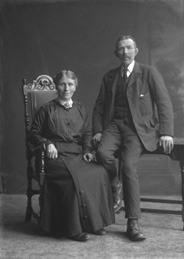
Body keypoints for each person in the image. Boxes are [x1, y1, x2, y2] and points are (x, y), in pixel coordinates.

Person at [92, 35, 174, 242]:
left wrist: (166, 132)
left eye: (129, 48)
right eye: (121, 49)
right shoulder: (109, 76)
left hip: (137, 129)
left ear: (136, 51)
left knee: (128, 166)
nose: (125, 52)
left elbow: (164, 102)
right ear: (116, 53)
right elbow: (100, 106)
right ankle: (114, 183)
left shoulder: (148, 72)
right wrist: (98, 130)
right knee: (101, 153)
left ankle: (133, 222)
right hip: (114, 126)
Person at [29, 70, 115, 242]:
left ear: (75, 86)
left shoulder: (81, 108)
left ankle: (93, 223)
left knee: (99, 172)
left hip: (76, 155)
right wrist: (47, 143)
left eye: (70, 84)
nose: (66, 88)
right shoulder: (46, 109)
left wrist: (88, 151)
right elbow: (33, 134)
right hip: (53, 158)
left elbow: (87, 133)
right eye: (62, 84)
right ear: (56, 86)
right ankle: (72, 228)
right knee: (71, 179)